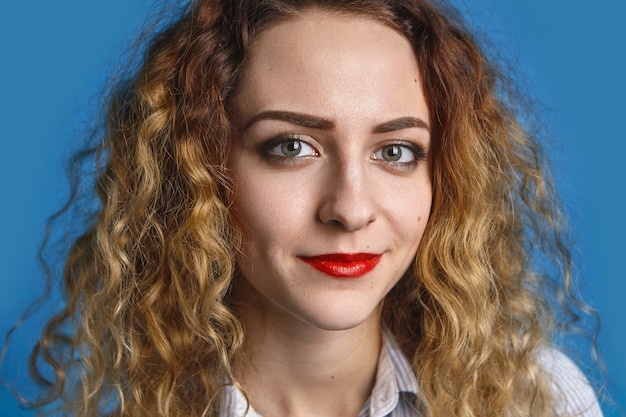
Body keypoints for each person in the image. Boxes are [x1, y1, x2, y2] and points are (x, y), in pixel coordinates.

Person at [2, 0, 604, 416]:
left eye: (396, 151)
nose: (350, 208)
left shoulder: (541, 399)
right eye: (291, 147)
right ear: (203, 171)